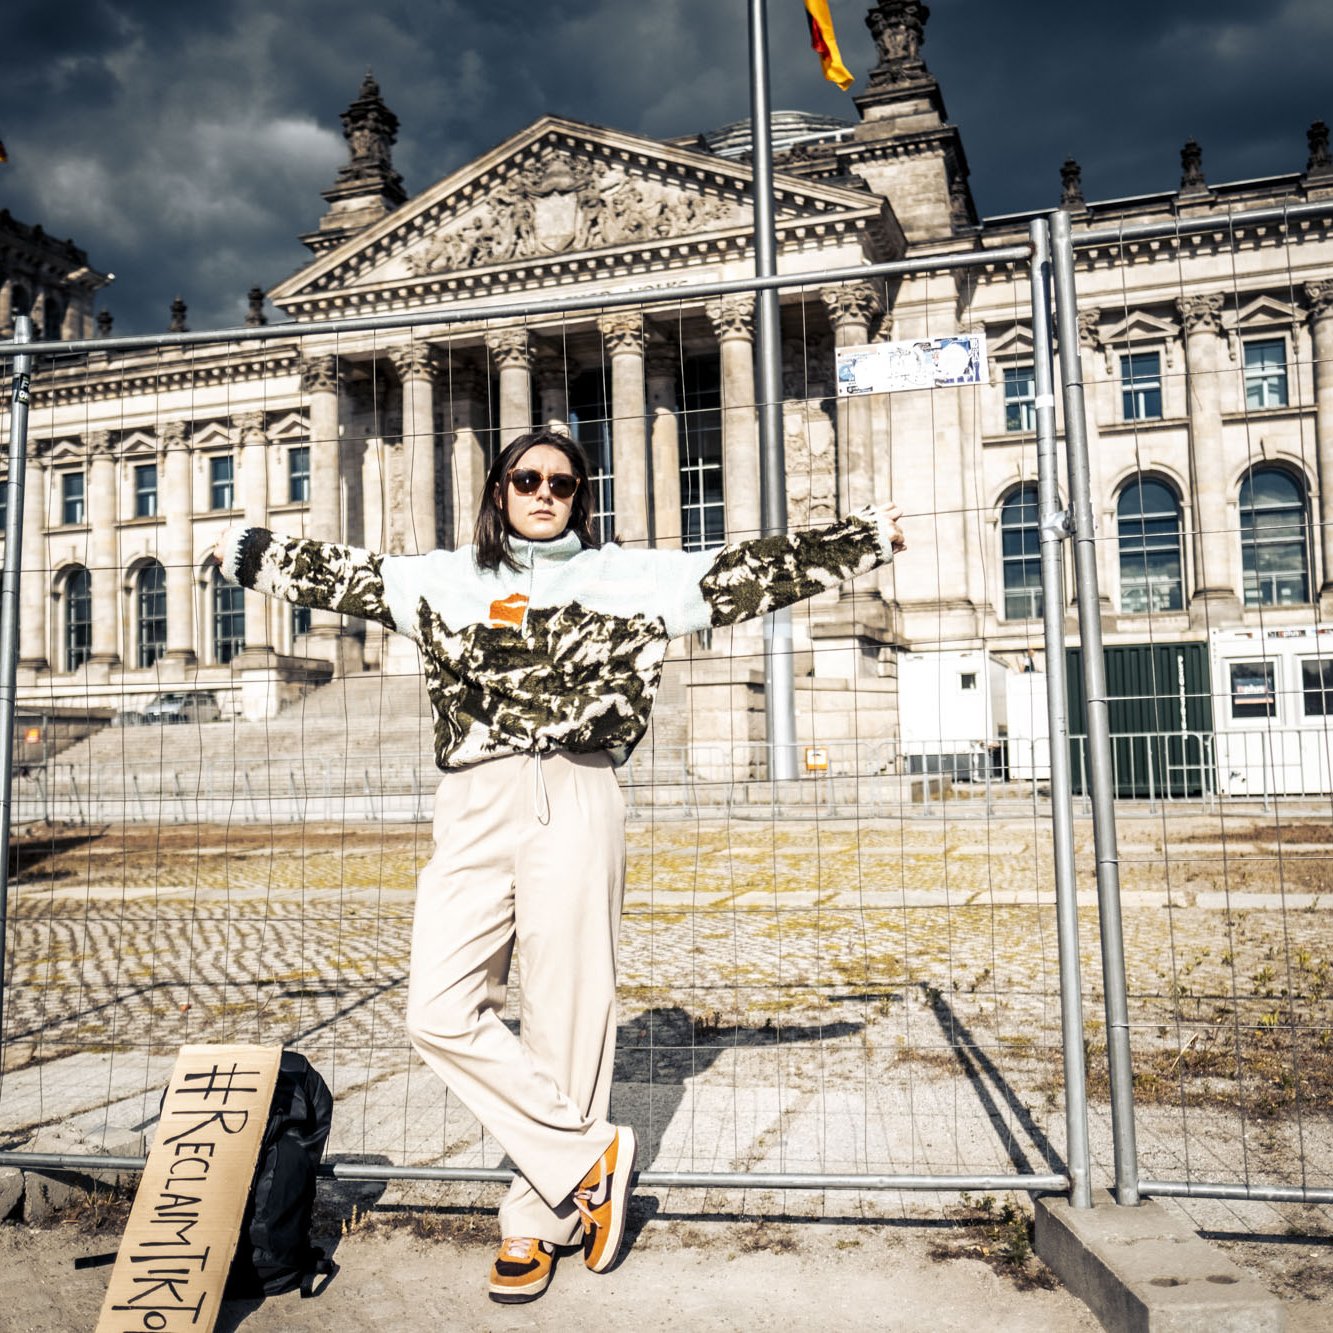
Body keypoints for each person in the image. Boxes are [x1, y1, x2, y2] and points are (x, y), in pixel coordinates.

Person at [217, 427, 905, 1303]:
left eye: (565, 484)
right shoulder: (442, 578)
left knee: (568, 1010)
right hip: (473, 798)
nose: (545, 493)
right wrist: (246, 550)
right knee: (437, 1008)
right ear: (498, 487)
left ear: (582, 496)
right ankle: (589, 1160)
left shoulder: (631, 576)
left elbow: (745, 574)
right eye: (527, 478)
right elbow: (344, 574)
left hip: (577, 790)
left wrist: (862, 539)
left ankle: (537, 1220)